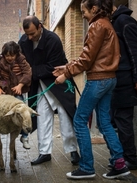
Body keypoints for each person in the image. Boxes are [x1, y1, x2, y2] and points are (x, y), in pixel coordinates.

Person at [53, 0, 130, 179]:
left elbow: (87, 59)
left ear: (94, 9)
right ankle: (119, 164)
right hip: (109, 79)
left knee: (80, 120)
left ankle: (87, 167)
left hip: (98, 80)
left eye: (84, 12)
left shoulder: (97, 25)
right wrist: (66, 68)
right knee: (104, 122)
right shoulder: (107, 24)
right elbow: (92, 57)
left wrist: (66, 75)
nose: (83, 15)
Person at [18, 16, 80, 166]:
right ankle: (44, 152)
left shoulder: (53, 39)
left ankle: (73, 150)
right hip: (39, 85)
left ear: (40, 26)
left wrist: (30, 71)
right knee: (42, 117)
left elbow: (52, 66)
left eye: (32, 33)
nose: (30, 37)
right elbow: (21, 62)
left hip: (57, 83)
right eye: (27, 34)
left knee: (65, 117)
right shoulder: (23, 42)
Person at [111, 4, 137, 170]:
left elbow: (136, 50)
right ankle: (122, 158)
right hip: (118, 81)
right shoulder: (115, 22)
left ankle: (130, 160)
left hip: (128, 80)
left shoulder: (125, 21)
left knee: (123, 121)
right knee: (118, 120)